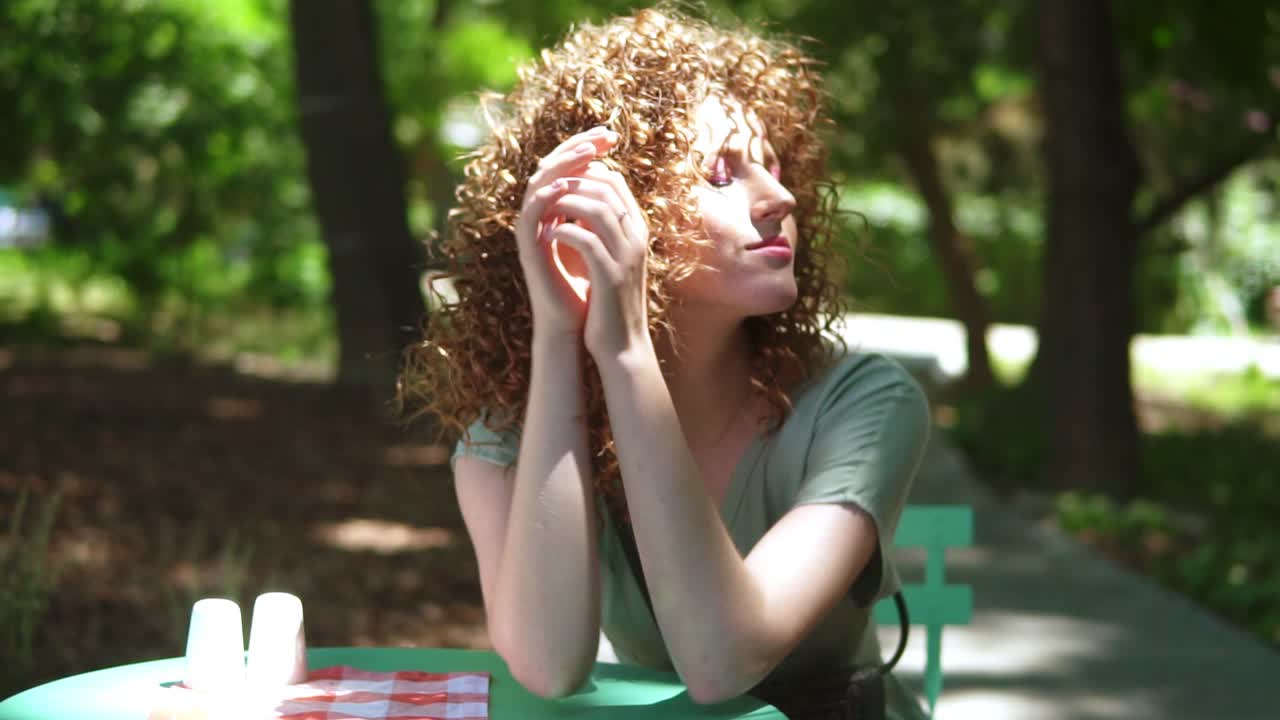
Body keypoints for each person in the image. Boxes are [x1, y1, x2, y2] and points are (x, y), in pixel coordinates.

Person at [398, 6, 931, 719]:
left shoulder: (862, 405)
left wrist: (624, 350)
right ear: (609, 216)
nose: (779, 197)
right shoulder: (502, 440)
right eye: (720, 175)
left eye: (772, 168)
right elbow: (548, 666)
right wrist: (560, 336)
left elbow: (722, 661)